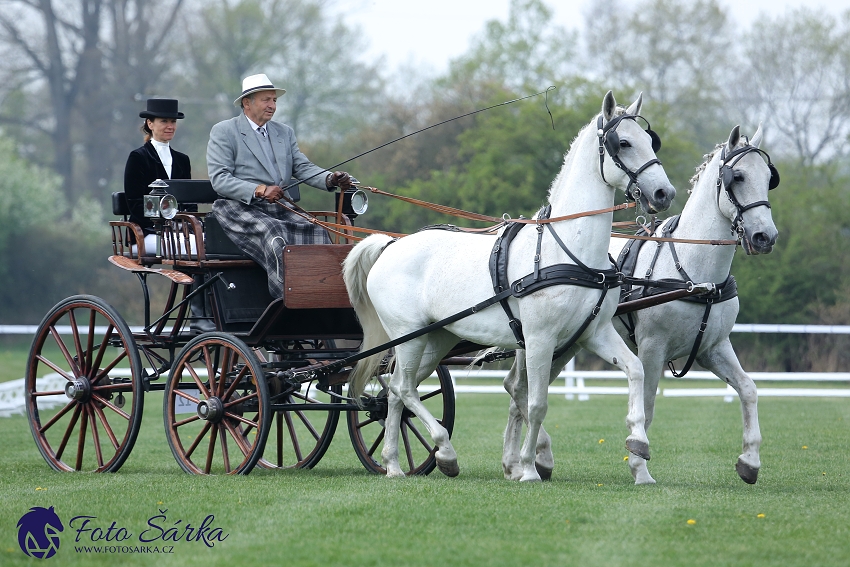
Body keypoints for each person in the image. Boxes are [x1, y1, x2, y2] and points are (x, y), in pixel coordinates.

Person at [207, 73, 353, 298]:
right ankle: (287, 301)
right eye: (266, 100)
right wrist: (260, 190)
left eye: (274, 100)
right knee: (276, 234)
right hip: (239, 207)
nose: (272, 105)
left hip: (280, 206)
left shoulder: (284, 132)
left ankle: (323, 298)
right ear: (247, 102)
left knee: (318, 231)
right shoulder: (225, 131)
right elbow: (219, 179)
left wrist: (330, 179)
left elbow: (302, 167)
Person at [123, 99, 213, 333]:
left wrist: (186, 226)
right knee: (195, 249)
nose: (170, 126)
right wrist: (165, 226)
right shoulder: (138, 158)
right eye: (164, 121)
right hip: (147, 234)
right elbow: (135, 203)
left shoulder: (182, 160)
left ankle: (213, 309)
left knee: (211, 245)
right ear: (150, 123)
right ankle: (198, 315)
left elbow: (189, 202)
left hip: (179, 234)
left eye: (173, 121)